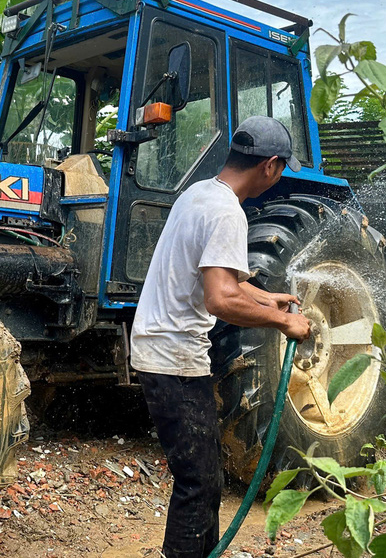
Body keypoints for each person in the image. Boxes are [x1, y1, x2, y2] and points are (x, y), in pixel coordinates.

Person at [131, 116, 313, 558]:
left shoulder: (199, 194)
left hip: (160, 351)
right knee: (199, 484)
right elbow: (220, 299)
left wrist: (268, 298)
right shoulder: (227, 211)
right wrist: (284, 323)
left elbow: (223, 277)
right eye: (282, 170)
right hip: (173, 359)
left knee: (203, 478)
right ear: (270, 166)